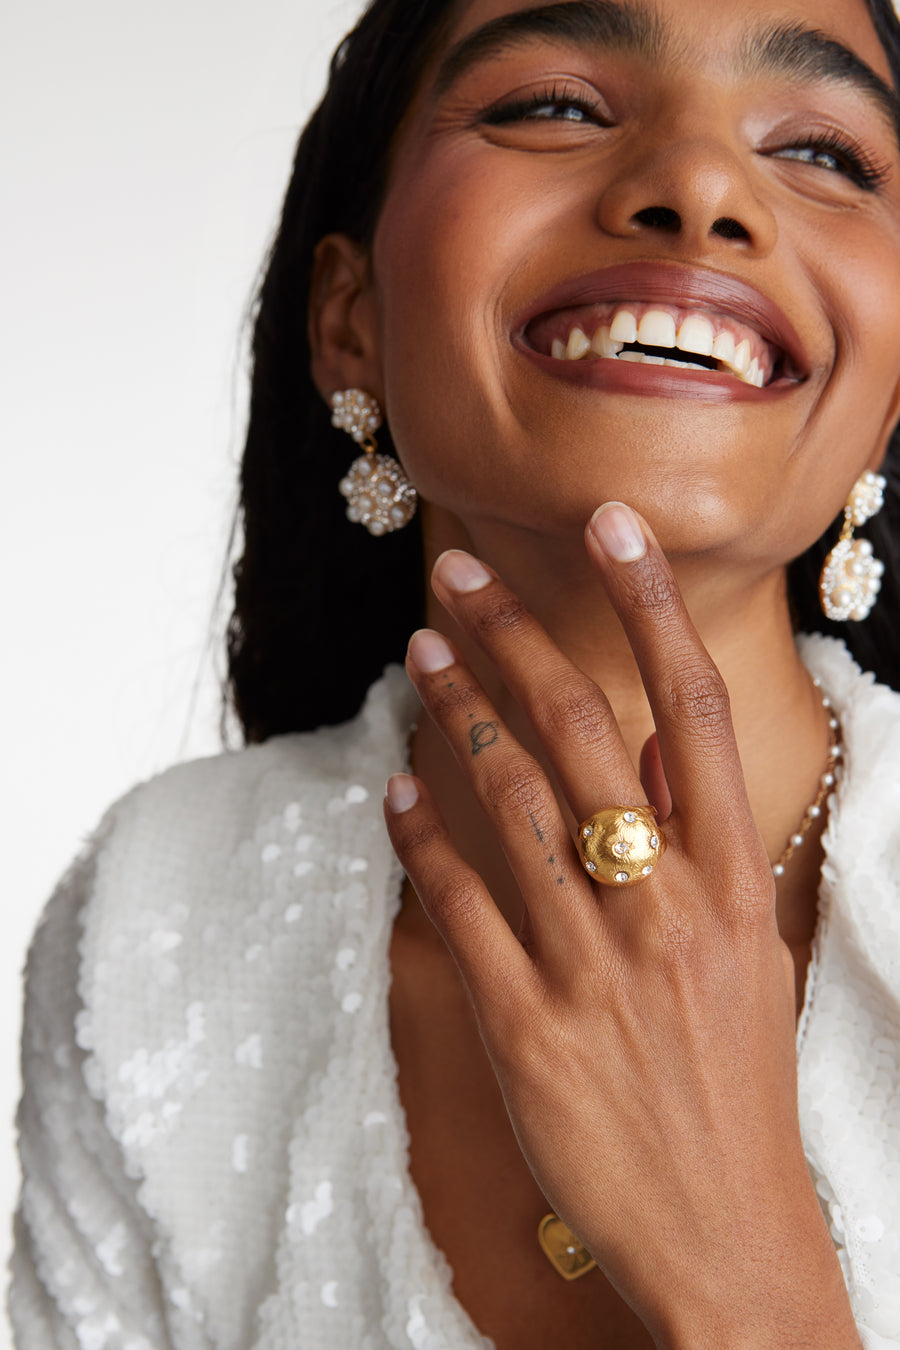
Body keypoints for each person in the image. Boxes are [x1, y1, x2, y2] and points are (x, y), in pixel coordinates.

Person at [10, 0, 900, 1344]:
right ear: (350, 317)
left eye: (825, 151)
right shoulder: (160, 923)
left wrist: (741, 1261)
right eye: (554, 103)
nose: (703, 185)